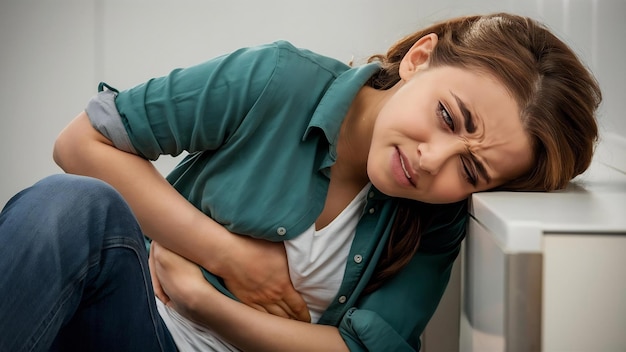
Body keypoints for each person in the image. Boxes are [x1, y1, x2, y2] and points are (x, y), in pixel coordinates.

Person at [0, 12, 601, 352]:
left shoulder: (438, 215)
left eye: (470, 169)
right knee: (71, 206)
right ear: (419, 60)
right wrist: (229, 256)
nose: (432, 160)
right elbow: (78, 142)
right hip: (137, 329)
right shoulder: (278, 80)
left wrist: (205, 300)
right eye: (448, 116)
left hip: (189, 315)